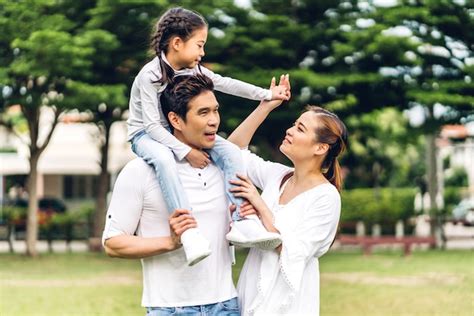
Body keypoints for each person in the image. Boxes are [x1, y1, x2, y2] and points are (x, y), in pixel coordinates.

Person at [103, 74, 289, 315]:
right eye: (203, 113)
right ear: (175, 120)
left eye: (216, 111)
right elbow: (113, 244)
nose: (214, 121)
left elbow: (235, 146)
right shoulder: (141, 171)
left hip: (226, 305)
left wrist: (267, 103)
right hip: (170, 309)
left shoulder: (225, 167)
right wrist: (170, 242)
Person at [128, 6, 289, 265]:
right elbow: (152, 127)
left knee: (230, 152)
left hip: (180, 129)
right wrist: (187, 152)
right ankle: (189, 231)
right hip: (146, 134)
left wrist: (267, 95)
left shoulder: (195, 70)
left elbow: (225, 83)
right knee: (164, 159)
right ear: (177, 43)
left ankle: (242, 222)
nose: (203, 53)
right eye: (200, 45)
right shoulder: (150, 75)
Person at [226, 91, 348, 315]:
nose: (289, 131)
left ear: (320, 148)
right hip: (252, 288)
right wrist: (265, 107)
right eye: (294, 124)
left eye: (300, 129)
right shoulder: (277, 176)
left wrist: (258, 205)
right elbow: (231, 152)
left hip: (288, 302)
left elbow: (292, 250)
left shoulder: (326, 197)